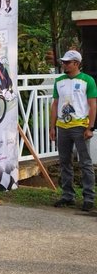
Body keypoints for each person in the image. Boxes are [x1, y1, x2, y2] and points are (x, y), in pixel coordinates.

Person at [50, 50, 97, 212]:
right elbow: (55, 105)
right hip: (62, 127)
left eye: (67, 62)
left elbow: (92, 105)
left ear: (76, 63)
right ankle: (67, 196)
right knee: (64, 162)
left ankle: (89, 197)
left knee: (85, 163)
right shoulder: (59, 81)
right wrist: (52, 127)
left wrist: (90, 127)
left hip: (80, 127)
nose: (64, 64)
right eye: (63, 62)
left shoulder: (87, 80)